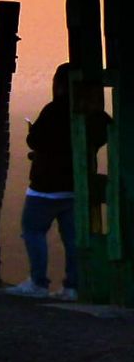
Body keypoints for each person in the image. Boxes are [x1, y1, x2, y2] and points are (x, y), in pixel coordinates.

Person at [9, 65, 108, 300]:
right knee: (72, 238)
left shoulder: (54, 109)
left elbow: (35, 140)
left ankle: (38, 283)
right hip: (76, 186)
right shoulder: (90, 111)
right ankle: (73, 287)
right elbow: (103, 133)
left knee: (33, 231)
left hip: (45, 187)